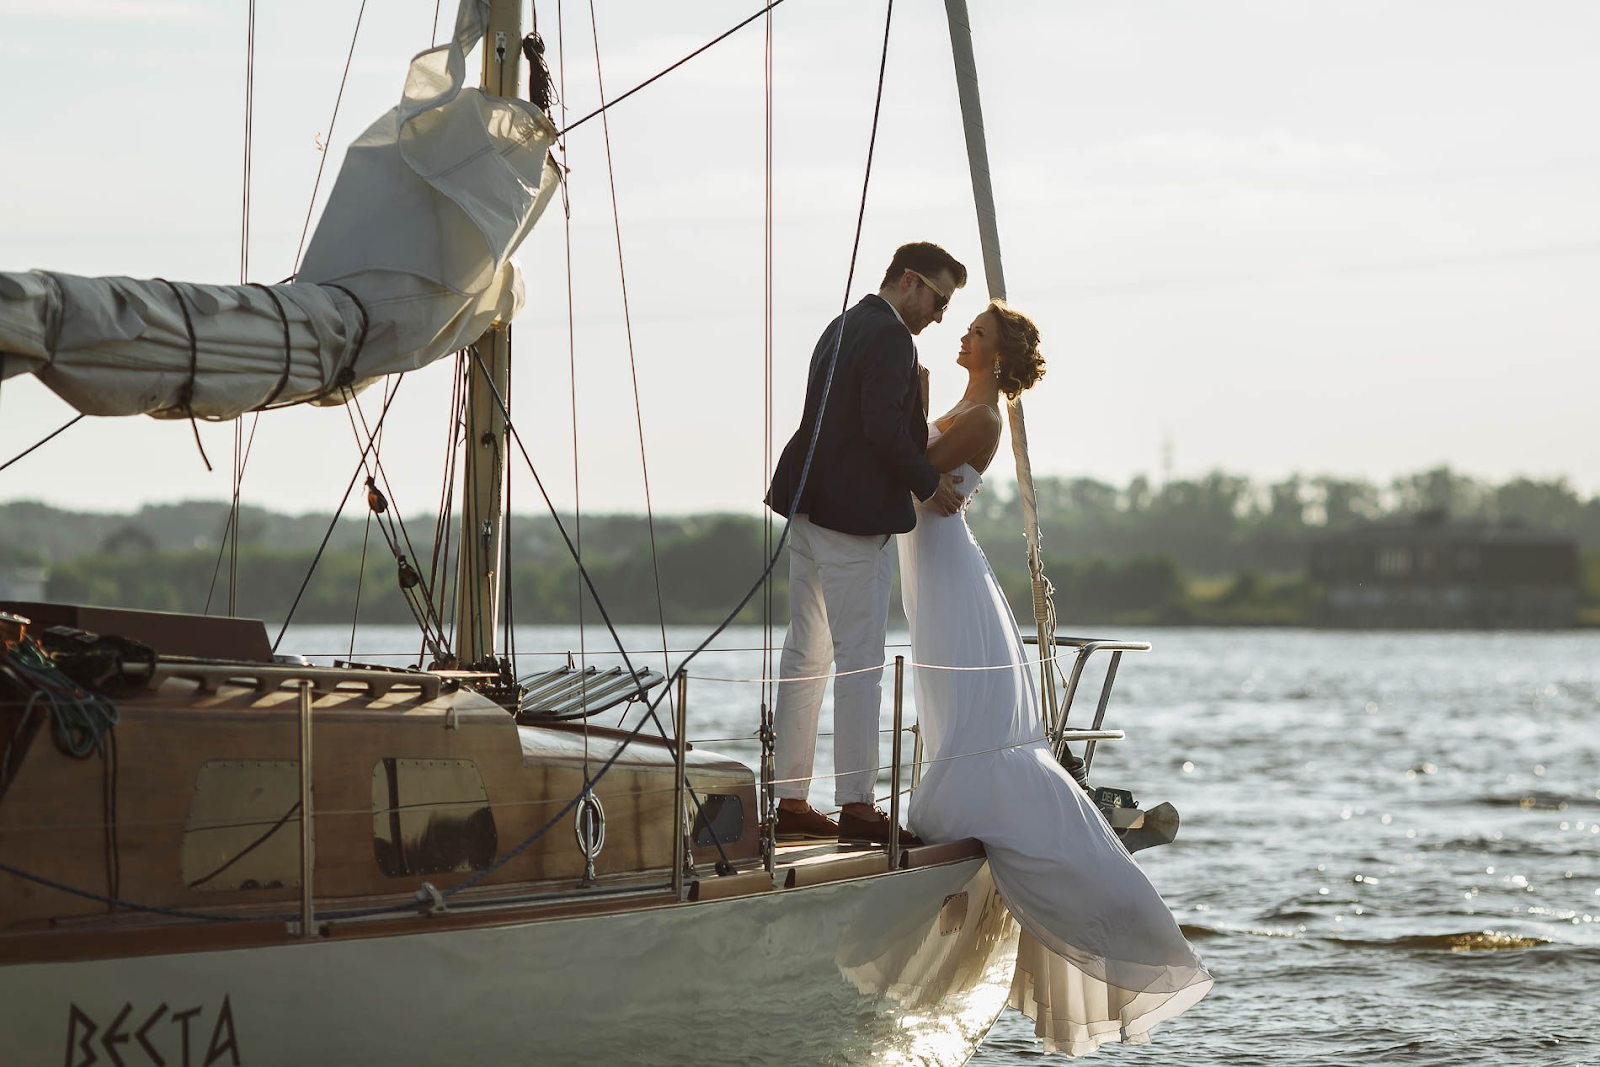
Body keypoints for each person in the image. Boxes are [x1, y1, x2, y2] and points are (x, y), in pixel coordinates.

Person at [900, 300, 1212, 1055]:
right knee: (948, 698)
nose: (964, 335)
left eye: (978, 330)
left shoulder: (981, 419)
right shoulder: (964, 404)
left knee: (963, 701)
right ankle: (962, 793)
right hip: (932, 562)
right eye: (968, 326)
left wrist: (906, 395)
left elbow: (904, 465)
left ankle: (1106, 910)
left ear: (996, 355)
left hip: (943, 563)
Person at [765, 241, 967, 845]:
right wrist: (929, 485)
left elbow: (855, 419)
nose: (939, 316)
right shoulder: (889, 337)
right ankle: (856, 804)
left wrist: (917, 402)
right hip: (852, 519)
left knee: (805, 656)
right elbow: (879, 428)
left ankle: (790, 801)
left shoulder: (842, 324)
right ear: (910, 281)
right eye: (938, 299)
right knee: (860, 662)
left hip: (807, 505)